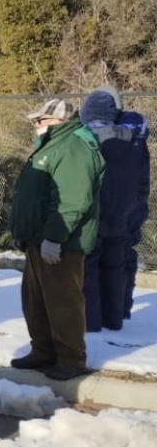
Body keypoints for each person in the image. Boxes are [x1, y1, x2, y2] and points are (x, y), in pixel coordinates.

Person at [9, 98, 103, 381]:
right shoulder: (52, 146)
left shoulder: (72, 147)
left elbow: (73, 199)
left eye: (41, 120)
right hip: (37, 239)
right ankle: (43, 350)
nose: (36, 125)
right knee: (36, 299)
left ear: (58, 122)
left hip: (61, 243)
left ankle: (71, 358)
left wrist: (54, 237)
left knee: (63, 300)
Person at [83, 88, 151, 327]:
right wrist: (135, 210)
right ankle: (115, 318)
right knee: (117, 265)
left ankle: (90, 321)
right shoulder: (134, 142)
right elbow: (142, 183)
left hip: (95, 213)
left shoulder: (89, 140)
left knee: (89, 266)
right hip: (124, 214)